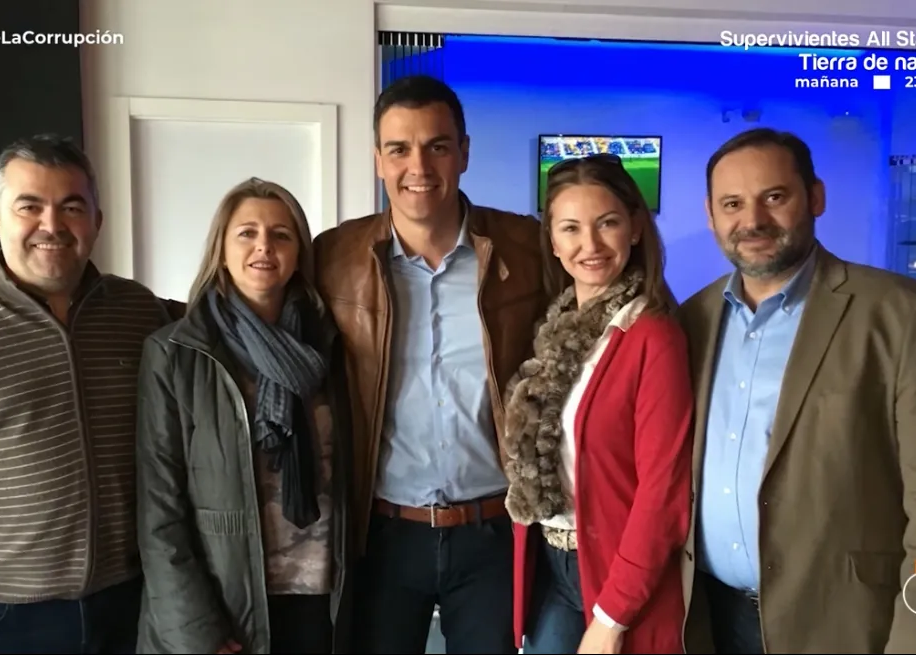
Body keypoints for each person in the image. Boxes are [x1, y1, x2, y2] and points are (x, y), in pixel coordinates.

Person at [313, 74, 547, 653]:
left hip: (495, 531)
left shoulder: (529, 248)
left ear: (463, 152)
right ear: (378, 160)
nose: (418, 166)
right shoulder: (334, 257)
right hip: (383, 534)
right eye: (399, 149)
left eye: (437, 145)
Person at [0, 134, 177, 654]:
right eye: (29, 207)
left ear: (97, 220)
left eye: (71, 207)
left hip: (130, 602)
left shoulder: (139, 312)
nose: (52, 225)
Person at [679, 127, 916, 654]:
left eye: (774, 197)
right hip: (712, 619)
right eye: (732, 204)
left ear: (816, 197)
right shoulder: (692, 320)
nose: (752, 221)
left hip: (845, 624)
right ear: (711, 215)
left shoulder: (897, 314)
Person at [134, 178, 353, 654]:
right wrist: (198, 633)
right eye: (247, 233)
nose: (264, 246)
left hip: (324, 604)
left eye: (281, 235)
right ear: (221, 248)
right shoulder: (175, 354)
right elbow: (160, 511)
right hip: (229, 609)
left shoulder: (331, 347)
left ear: (298, 252)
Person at [505, 155, 693, 654]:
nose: (589, 245)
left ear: (635, 228)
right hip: (550, 564)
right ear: (552, 242)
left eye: (607, 223)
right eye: (570, 228)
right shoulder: (553, 333)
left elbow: (663, 493)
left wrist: (612, 618)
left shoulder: (652, 336)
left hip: (616, 576)